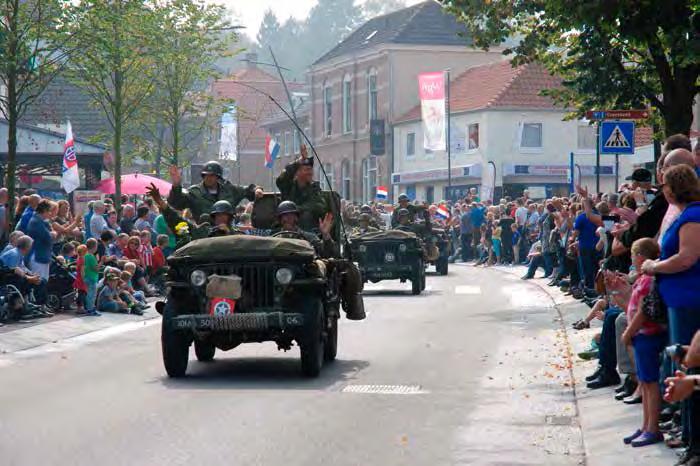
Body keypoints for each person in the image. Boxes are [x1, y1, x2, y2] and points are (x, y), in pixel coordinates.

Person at [621, 238, 667, 447]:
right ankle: (645, 424)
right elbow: (631, 306)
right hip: (642, 336)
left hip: (647, 335)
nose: (632, 260)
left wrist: (628, 332)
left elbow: (643, 311)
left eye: (632, 256)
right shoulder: (642, 278)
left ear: (640, 256)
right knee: (645, 382)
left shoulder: (649, 279)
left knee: (650, 383)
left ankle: (653, 428)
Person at [168, 161, 262, 220]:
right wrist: (176, 185)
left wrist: (257, 190)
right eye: (206, 175)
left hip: (227, 233)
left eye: (212, 175)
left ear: (218, 177)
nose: (208, 178)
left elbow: (248, 191)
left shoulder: (229, 189)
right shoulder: (194, 192)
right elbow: (176, 204)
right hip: (203, 233)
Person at [83, 238, 100, 316]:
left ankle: (88, 308)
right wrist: (100, 262)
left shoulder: (85, 255)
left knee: (89, 293)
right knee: (92, 295)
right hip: (92, 278)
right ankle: (90, 309)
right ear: (95, 246)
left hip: (86, 277)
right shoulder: (91, 256)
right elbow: (96, 269)